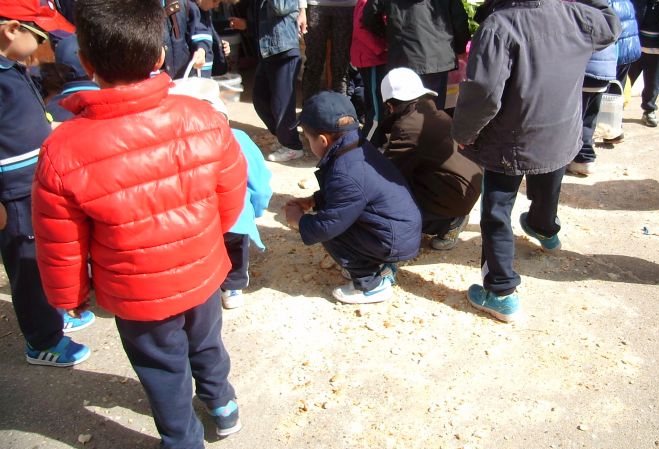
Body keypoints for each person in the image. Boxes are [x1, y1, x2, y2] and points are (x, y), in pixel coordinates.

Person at [31, 0, 248, 449]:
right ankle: (223, 405)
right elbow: (232, 195)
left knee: (161, 368)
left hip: (135, 293)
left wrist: (70, 296)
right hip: (202, 270)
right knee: (207, 343)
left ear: (86, 63)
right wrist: (208, 238)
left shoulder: (61, 149)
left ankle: (183, 443)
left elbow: (60, 241)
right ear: (160, 56)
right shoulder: (203, 118)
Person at [452, 0, 620, 322]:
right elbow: (611, 25)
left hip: (510, 141)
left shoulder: (500, 26)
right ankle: (545, 229)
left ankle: (500, 291)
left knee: (497, 210)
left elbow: (484, 94)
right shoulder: (575, 14)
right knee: (547, 188)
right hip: (562, 133)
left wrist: (463, 133)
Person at [0, 0, 93, 367]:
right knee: (26, 265)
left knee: (44, 256)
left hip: (33, 185)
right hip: (11, 195)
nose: (44, 43)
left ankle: (54, 313)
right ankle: (43, 339)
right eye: (39, 34)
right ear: (11, 30)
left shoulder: (12, 66)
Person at [283, 91, 421, 304]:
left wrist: (299, 221)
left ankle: (371, 283)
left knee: (329, 229)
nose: (308, 142)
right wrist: (313, 200)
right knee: (330, 213)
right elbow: (346, 196)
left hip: (394, 239)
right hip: (398, 228)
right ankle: (377, 262)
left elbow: (329, 224)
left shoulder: (346, 172)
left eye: (308, 138)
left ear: (322, 140)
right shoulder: (355, 145)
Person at [168, 77, 272, 310]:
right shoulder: (238, 138)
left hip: (193, 222)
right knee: (235, 246)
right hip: (235, 217)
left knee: (200, 253)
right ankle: (233, 286)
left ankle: (202, 284)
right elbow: (259, 183)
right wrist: (256, 210)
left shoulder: (173, 147)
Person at [378, 67, 482, 250]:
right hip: (465, 184)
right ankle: (448, 216)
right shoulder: (428, 111)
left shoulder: (408, 127)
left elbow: (388, 174)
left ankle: (448, 223)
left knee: (389, 200)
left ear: (390, 105)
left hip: (456, 195)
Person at [361, 0, 470, 108]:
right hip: (437, 61)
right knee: (434, 109)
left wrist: (386, 36)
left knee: (405, 109)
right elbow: (460, 20)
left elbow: (368, 17)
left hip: (402, 57)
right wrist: (460, 48)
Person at [232, 0, 304, 163]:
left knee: (283, 104)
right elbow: (265, 24)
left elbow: (282, 7)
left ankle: (293, 146)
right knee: (260, 99)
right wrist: (246, 25)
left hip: (284, 53)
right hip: (268, 53)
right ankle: (283, 137)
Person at [559, 0, 618, 176]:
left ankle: (582, 158)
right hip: (603, 74)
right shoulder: (602, 5)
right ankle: (585, 159)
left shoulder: (575, 10)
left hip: (584, 74)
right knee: (589, 119)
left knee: (575, 120)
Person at [578, 0, 640, 144]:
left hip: (613, 54)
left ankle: (597, 134)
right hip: (629, 51)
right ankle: (615, 130)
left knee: (600, 97)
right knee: (616, 93)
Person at [351, 0, 397, 141]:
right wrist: (381, 47)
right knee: (376, 104)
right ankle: (368, 143)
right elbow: (360, 29)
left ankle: (376, 138)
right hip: (370, 59)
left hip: (376, 58)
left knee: (376, 98)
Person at [184, 0, 241, 77]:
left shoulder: (203, 10)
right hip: (196, 76)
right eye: (215, 0)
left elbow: (208, 31)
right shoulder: (191, 9)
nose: (216, 5)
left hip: (205, 74)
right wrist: (201, 50)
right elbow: (200, 34)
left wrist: (219, 44)